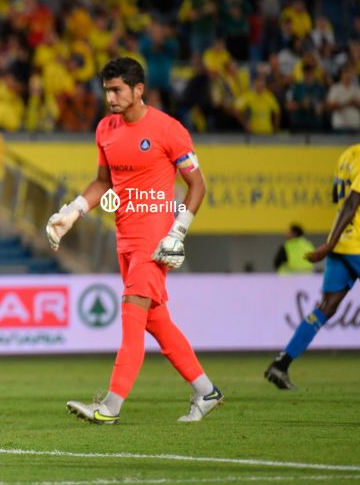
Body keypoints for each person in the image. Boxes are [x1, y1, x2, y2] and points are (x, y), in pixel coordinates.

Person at [48, 57, 223, 424]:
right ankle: (206, 391)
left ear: (138, 90)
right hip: (124, 236)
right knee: (155, 320)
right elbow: (102, 182)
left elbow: (198, 184)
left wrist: (178, 231)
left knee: (131, 314)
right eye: (106, 90)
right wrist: (71, 214)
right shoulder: (105, 129)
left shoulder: (168, 129)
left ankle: (110, 406)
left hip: (155, 239)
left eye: (117, 90)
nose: (110, 97)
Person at [265, 144, 360, 390]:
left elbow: (335, 197)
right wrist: (329, 244)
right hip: (355, 243)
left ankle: (281, 364)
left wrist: (333, 243)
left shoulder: (347, 155)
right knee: (325, 307)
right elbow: (351, 204)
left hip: (342, 244)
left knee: (325, 308)